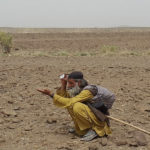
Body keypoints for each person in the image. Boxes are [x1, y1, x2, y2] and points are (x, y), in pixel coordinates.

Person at [37, 71, 115, 141]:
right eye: (68, 83)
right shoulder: (77, 90)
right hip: (92, 112)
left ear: (79, 83)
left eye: (71, 83)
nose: (69, 86)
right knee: (70, 104)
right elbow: (65, 99)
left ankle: (95, 130)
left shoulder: (88, 91)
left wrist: (51, 94)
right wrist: (63, 84)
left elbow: (70, 102)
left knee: (76, 106)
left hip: (100, 116)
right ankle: (83, 129)